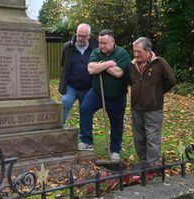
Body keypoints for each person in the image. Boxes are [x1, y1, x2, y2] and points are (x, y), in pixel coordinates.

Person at [78, 29, 130, 161]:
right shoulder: (96, 52)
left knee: (117, 122)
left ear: (113, 42)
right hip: (97, 92)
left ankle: (115, 151)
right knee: (85, 109)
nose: (101, 46)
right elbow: (91, 69)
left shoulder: (122, 53)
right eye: (100, 43)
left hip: (117, 95)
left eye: (105, 43)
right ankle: (87, 141)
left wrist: (100, 65)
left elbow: (119, 73)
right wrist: (110, 63)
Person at [129, 37, 176, 167]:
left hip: (153, 109)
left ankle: (153, 165)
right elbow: (131, 82)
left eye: (139, 52)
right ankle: (143, 163)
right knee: (138, 138)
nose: (136, 54)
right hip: (136, 108)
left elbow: (171, 81)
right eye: (134, 51)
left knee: (152, 138)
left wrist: (157, 93)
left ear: (148, 51)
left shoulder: (160, 63)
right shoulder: (132, 65)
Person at [58, 23, 97, 125]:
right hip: (71, 86)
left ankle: (85, 138)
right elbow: (63, 63)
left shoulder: (95, 48)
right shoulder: (68, 47)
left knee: (86, 110)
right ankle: (59, 128)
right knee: (64, 103)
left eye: (83, 36)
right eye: (79, 35)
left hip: (88, 87)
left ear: (89, 36)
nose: (80, 38)